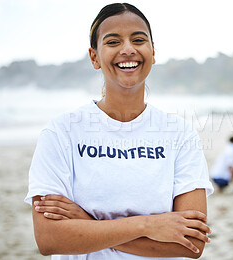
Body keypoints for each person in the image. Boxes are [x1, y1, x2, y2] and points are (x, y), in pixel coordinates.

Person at [24, 3, 214, 259]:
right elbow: (49, 238)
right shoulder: (61, 133)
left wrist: (87, 223)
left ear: (153, 53)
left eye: (138, 39)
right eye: (113, 42)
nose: (128, 49)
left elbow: (191, 243)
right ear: (94, 57)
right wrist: (149, 225)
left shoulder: (179, 134)